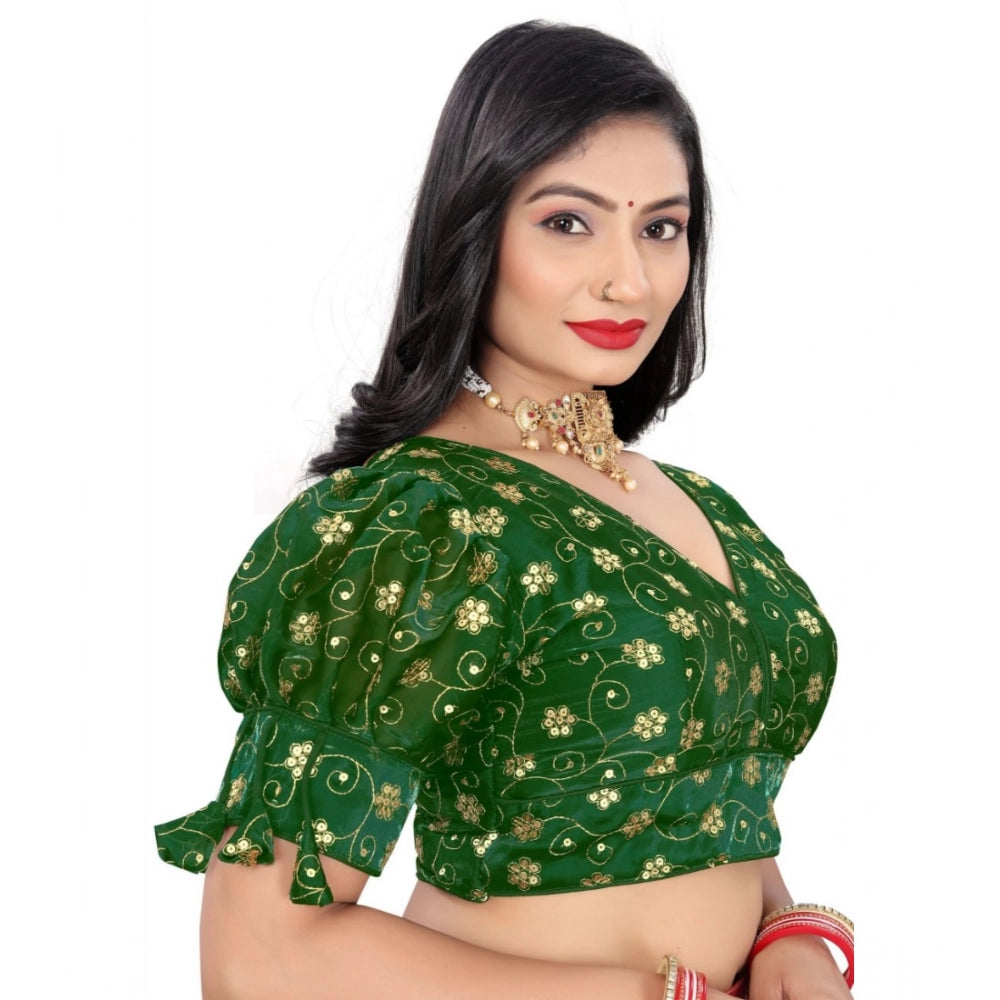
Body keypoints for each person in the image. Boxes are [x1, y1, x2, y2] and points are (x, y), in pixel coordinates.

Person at [155, 20, 853, 1000]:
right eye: (568, 222)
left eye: (661, 227)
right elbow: (259, 957)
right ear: (474, 226)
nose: (629, 278)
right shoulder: (423, 525)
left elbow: (696, 799)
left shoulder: (695, 504)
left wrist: (785, 931)